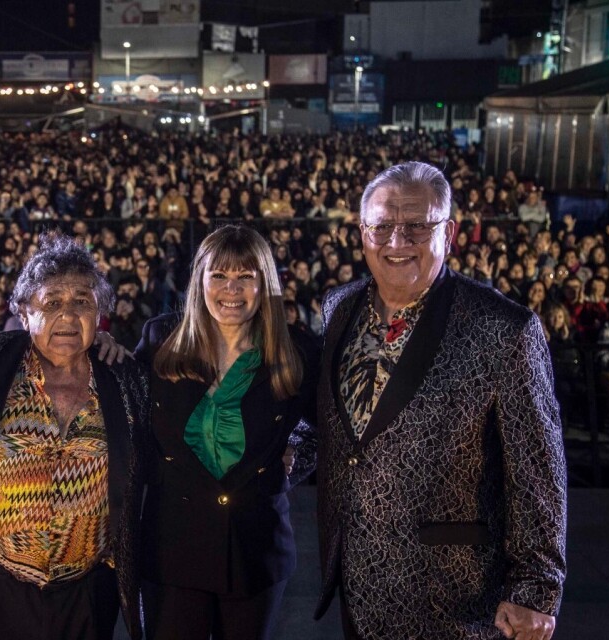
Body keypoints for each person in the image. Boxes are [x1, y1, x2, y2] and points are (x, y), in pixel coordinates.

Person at [314, 162, 566, 638]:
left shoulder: (504, 328)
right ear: (361, 231)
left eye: (417, 226)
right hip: (357, 578)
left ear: (448, 232)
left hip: (455, 593)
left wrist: (536, 587)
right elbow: (332, 420)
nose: (397, 241)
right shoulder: (338, 307)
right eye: (382, 226)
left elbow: (538, 467)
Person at [0, 232, 147, 640]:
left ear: (100, 312)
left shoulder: (126, 380)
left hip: (85, 595)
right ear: (23, 311)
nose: (67, 316)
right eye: (51, 302)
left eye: (82, 302)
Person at [134, 225, 317, 640]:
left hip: (255, 552)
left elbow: (330, 431)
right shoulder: (160, 340)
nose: (230, 289)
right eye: (218, 275)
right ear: (200, 280)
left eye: (245, 276)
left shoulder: (299, 353)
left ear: (264, 282)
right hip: (172, 551)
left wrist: (293, 458)